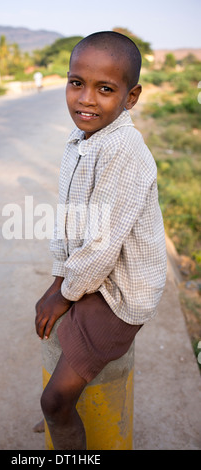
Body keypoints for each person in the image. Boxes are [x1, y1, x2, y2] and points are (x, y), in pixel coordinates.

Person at [35, 31, 167, 450]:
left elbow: (102, 245)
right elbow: (68, 223)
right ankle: (66, 419)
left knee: (53, 399)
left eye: (105, 89)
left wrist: (66, 291)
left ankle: (61, 421)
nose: (86, 99)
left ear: (131, 98)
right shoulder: (79, 142)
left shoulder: (125, 151)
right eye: (77, 83)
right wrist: (59, 281)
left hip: (122, 293)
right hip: (94, 276)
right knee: (49, 326)